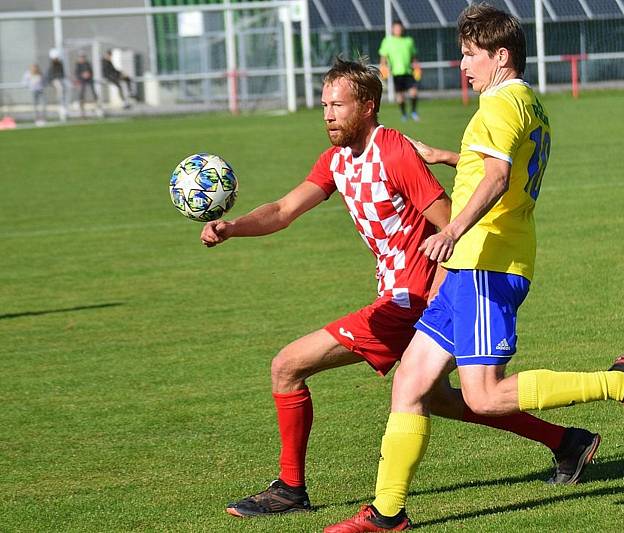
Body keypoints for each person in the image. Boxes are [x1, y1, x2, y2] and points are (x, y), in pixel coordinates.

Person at [326, 6, 624, 532]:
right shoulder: (525, 100)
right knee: (410, 384)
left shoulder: (497, 104)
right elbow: (497, 164)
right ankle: (387, 514)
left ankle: (619, 381)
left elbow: (494, 178)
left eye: (470, 53)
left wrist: (451, 229)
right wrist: (447, 155)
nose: (462, 63)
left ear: (501, 55)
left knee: (483, 395)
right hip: (471, 267)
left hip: (487, 262)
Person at [201, 58, 598, 519]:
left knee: (287, 366)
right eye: (324, 105)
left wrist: (444, 283)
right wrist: (233, 227)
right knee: (446, 398)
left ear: (367, 105)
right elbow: (284, 209)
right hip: (398, 298)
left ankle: (291, 488)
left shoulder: (392, 151)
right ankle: (568, 442)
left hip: (408, 301)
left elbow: (448, 219)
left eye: (338, 105)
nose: (328, 114)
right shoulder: (336, 160)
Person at [379, 21, 420, 122]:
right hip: (396, 73)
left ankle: (414, 112)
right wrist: (383, 68)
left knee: (414, 93)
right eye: (396, 28)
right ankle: (404, 114)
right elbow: (383, 56)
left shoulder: (408, 41)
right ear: (392, 29)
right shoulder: (387, 41)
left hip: (408, 72)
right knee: (400, 97)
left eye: (399, 28)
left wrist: (417, 67)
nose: (398, 30)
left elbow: (413, 56)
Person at [74, 53, 102, 117]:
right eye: (81, 57)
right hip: (81, 81)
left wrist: (88, 75)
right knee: (81, 93)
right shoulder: (78, 65)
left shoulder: (87, 64)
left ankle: (97, 106)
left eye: (83, 57)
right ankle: (82, 109)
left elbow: (91, 72)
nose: (82, 58)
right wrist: (82, 76)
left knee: (94, 91)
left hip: (89, 79)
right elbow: (77, 74)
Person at [46, 51, 69, 122]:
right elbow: (51, 75)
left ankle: (65, 104)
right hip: (54, 80)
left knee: (68, 87)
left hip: (60, 79)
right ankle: (61, 103)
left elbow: (62, 73)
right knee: (60, 88)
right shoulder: (52, 65)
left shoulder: (60, 64)